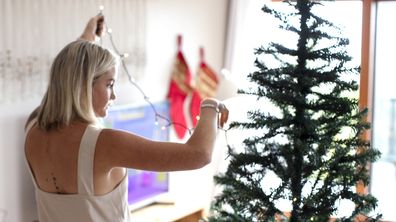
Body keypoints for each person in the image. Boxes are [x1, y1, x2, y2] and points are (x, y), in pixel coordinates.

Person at [24, 15, 229, 222]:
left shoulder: (32, 129)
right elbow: (198, 154)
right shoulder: (103, 144)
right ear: (84, 85)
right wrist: (210, 104)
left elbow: (68, 74)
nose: (114, 96)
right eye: (110, 84)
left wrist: (88, 37)